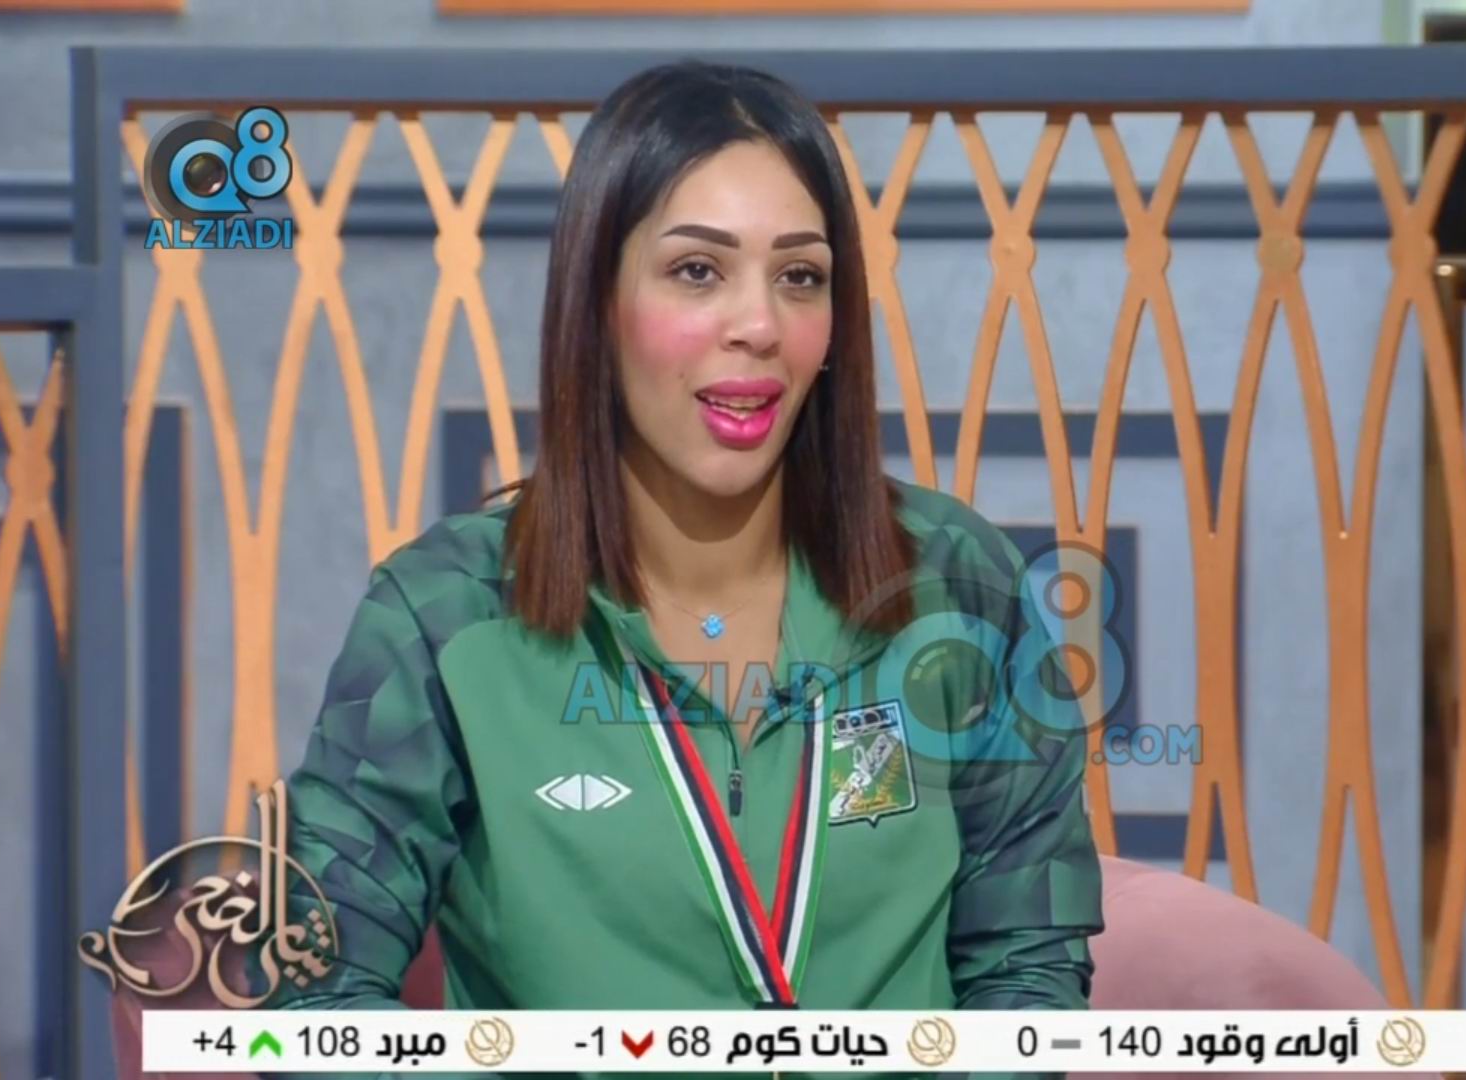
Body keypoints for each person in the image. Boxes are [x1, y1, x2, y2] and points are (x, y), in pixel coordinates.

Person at [271, 60, 1104, 1077]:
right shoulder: (442, 614)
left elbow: (1028, 967)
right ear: (597, 301)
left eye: (800, 277)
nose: (759, 324)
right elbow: (314, 997)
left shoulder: (959, 583)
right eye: (698, 271)